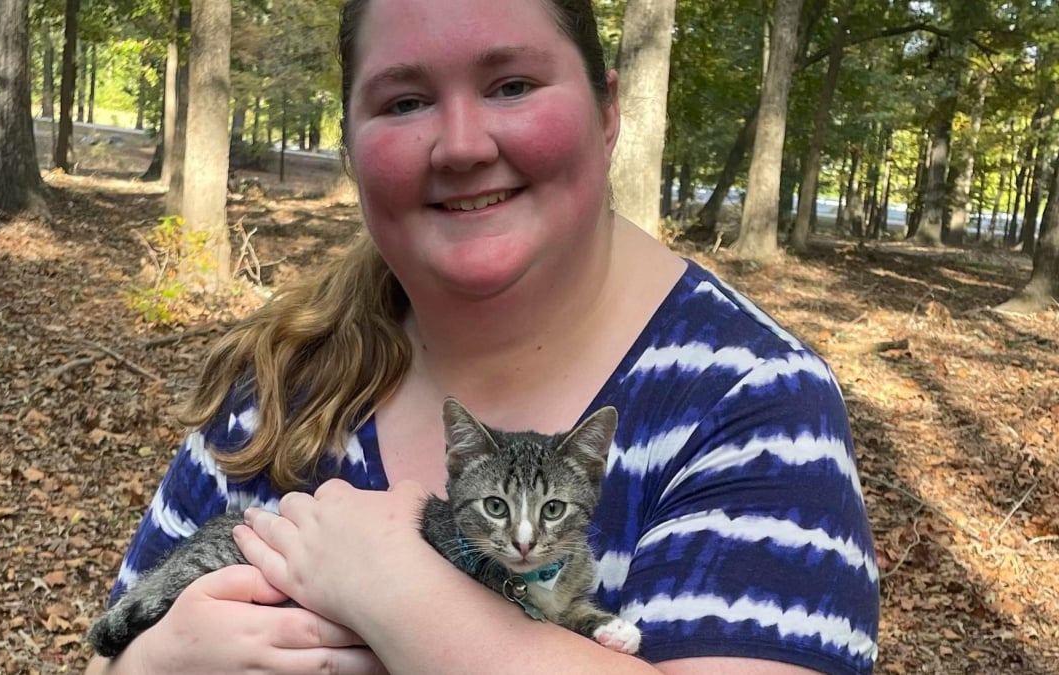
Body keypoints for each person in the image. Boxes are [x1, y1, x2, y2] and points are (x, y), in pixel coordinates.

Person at [86, 0, 880, 672]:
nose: (462, 145)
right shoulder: (285, 383)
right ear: (352, 146)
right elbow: (112, 645)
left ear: (607, 113)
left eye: (512, 85)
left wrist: (395, 585)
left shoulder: (755, 404)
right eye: (404, 101)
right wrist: (157, 659)